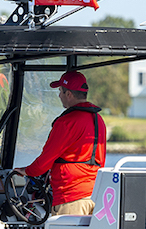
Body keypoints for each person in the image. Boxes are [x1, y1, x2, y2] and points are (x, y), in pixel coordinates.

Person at [17, 70, 106, 216]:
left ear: (69, 94)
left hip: (71, 198)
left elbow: (44, 162)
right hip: (95, 195)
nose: (59, 95)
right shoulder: (99, 120)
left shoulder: (66, 122)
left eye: (60, 91)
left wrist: (25, 171)